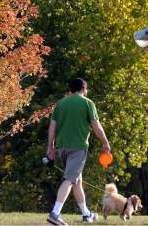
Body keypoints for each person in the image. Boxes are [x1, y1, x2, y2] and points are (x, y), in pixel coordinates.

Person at [46, 78, 110, 225]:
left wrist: (50, 147)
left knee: (77, 181)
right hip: (78, 148)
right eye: (86, 90)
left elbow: (52, 127)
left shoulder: (60, 104)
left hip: (62, 148)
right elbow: (96, 126)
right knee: (69, 179)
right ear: (83, 88)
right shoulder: (87, 103)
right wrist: (105, 142)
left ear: (70, 89)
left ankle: (86, 214)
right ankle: (55, 213)